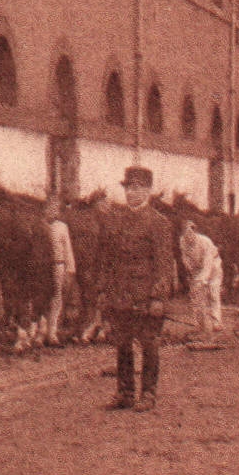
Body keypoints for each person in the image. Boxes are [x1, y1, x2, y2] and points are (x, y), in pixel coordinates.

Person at [102, 166, 176, 412]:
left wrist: (158, 297)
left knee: (149, 344)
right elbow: (109, 260)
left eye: (137, 188)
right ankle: (125, 392)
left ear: (148, 190)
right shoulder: (116, 219)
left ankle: (148, 394)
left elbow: (165, 263)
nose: (132, 193)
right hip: (121, 295)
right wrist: (106, 292)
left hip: (146, 296)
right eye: (128, 188)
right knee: (122, 344)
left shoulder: (159, 222)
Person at [178, 216, 225, 348]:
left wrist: (202, 280)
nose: (188, 236)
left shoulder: (205, 242)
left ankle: (216, 322)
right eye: (185, 233)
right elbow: (185, 258)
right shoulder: (182, 241)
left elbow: (208, 263)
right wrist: (191, 273)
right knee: (196, 297)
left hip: (213, 266)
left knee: (213, 293)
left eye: (191, 233)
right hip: (197, 269)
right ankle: (199, 324)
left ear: (195, 232)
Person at [43, 197, 75, 347]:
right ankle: (41, 331)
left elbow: (67, 249)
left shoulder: (62, 227)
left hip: (58, 264)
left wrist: (70, 269)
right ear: (45, 210)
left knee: (57, 298)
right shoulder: (40, 225)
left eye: (55, 210)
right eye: (50, 209)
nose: (52, 212)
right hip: (43, 266)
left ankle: (52, 332)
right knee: (43, 298)